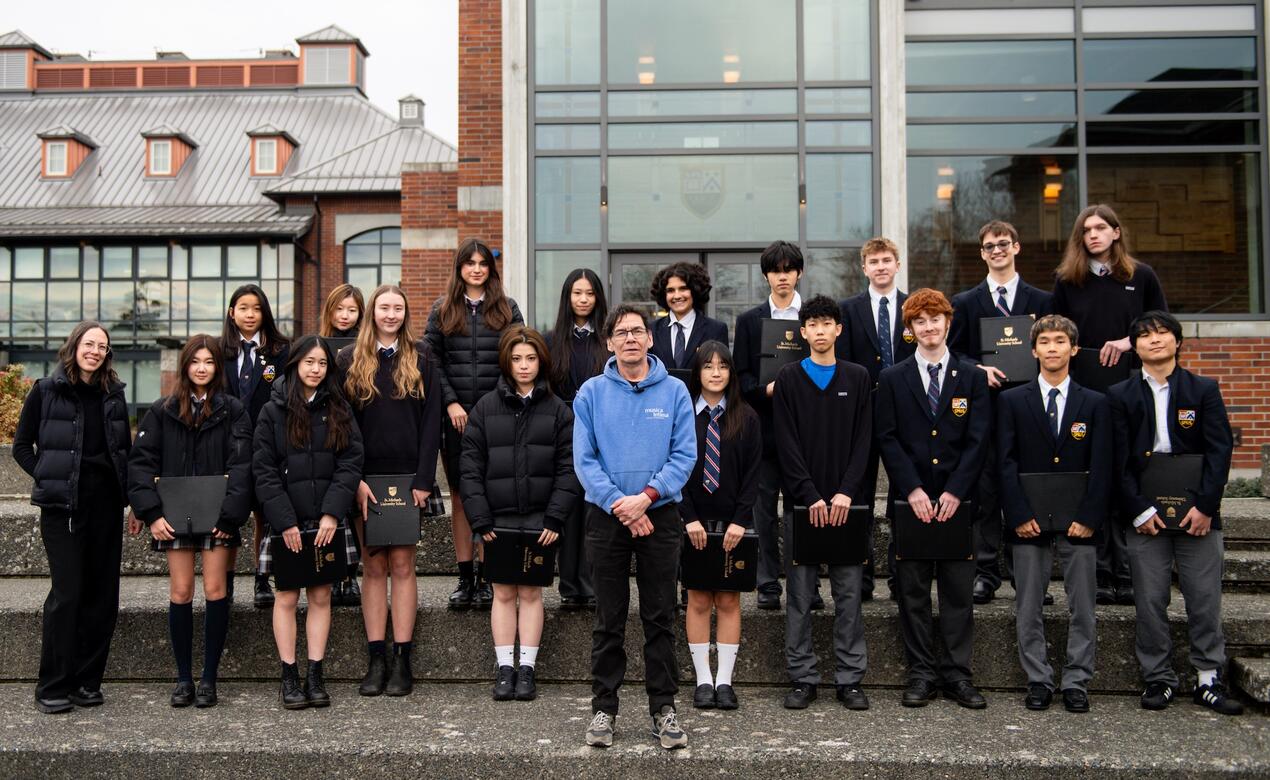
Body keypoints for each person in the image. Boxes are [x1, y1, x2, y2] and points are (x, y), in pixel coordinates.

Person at [573, 304, 696, 750]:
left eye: (637, 331)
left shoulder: (676, 391)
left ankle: (664, 708)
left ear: (650, 338)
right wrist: (620, 505)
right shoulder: (590, 393)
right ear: (609, 342)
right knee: (608, 618)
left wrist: (645, 498)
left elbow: (684, 455)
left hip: (658, 515)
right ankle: (604, 708)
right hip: (606, 516)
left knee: (659, 616)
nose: (630, 338)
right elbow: (584, 460)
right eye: (621, 332)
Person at [1108, 311, 1243, 716]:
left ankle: (1208, 678)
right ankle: (1159, 678)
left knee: (1204, 599)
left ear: (1178, 341)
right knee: (1150, 600)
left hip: (1197, 513)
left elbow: (1219, 451)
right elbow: (1117, 460)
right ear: (1135, 347)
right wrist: (1137, 509)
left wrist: (1206, 507)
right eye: (1145, 335)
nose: (1154, 340)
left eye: (1163, 333)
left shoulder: (1204, 389)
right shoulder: (1120, 395)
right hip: (1144, 515)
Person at [875, 289, 991, 710]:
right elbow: (887, 437)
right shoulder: (892, 378)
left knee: (958, 595)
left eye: (935, 319)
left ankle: (958, 675)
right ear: (910, 329)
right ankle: (921, 674)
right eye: (920, 321)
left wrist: (956, 490)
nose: (929, 327)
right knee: (913, 594)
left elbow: (979, 439)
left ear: (948, 322)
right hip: (912, 504)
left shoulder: (972, 377)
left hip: (959, 504)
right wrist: (913, 489)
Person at [13, 321, 134, 715]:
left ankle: (87, 681)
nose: (95, 351)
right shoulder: (46, 390)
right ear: (75, 346)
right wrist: (50, 477)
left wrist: (133, 501)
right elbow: (21, 447)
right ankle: (53, 684)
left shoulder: (114, 394)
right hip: (62, 510)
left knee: (103, 597)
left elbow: (124, 453)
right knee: (67, 595)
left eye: (102, 346)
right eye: (89, 344)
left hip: (106, 508)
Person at [126, 334, 252, 708]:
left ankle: (209, 679)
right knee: (181, 591)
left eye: (209, 362)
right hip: (173, 515)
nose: (202, 368)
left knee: (215, 589)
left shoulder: (233, 410)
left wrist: (230, 516)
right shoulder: (162, 410)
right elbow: (141, 463)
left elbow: (242, 466)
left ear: (218, 367)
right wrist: (151, 513)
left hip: (218, 517)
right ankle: (184, 678)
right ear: (185, 366)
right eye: (195, 361)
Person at [1053, 204, 1167, 606]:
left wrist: (1128, 341)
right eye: (1086, 230)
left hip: (1131, 391)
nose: (1093, 235)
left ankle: (1126, 573)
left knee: (1126, 473)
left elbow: (1162, 330)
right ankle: (1100, 571)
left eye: (1101, 228)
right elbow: (1056, 334)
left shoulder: (1142, 276)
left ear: (1116, 232)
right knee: (1094, 476)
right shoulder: (1068, 281)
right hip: (1085, 394)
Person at [997, 315, 1110, 713]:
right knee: (1028, 606)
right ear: (1033, 350)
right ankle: (1038, 679)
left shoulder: (1095, 403)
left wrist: (1090, 516)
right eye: (1044, 342)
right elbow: (1004, 462)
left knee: (1083, 607)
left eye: (1060, 341)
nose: (1052, 348)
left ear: (1073, 349)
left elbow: (1103, 464)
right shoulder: (1012, 401)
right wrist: (1017, 513)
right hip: (1028, 522)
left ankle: (1077, 680)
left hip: (1080, 522)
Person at [461, 326, 580, 702]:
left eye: (530, 358)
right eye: (516, 359)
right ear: (506, 363)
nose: (524, 365)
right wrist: (480, 519)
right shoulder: (485, 408)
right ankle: (504, 668)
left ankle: (526, 668)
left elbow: (569, 468)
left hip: (541, 520)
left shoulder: (558, 410)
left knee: (530, 593)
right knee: (502, 592)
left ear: (541, 361)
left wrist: (555, 517)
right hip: (496, 520)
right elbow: (470, 468)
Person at [339, 285, 443, 698]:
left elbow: (432, 420)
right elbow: (342, 425)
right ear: (372, 311)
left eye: (398, 307)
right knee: (373, 567)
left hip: (408, 478)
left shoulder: (422, 357)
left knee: (402, 566)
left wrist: (424, 479)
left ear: (405, 313)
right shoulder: (348, 359)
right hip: (365, 480)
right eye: (384, 307)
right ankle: (376, 657)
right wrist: (354, 480)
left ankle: (402, 657)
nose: (391, 314)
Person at [774, 296, 874, 711]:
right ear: (802, 332)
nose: (819, 330)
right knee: (799, 597)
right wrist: (809, 494)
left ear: (838, 329)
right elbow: (785, 443)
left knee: (849, 597)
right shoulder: (788, 378)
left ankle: (849, 679)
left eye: (826, 323)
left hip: (847, 506)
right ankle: (803, 677)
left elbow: (865, 441)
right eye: (812, 324)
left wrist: (847, 491)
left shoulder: (858, 376)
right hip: (804, 507)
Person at [253, 336, 363, 710]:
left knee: (320, 596)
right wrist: (285, 522)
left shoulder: (339, 408)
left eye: (322, 363)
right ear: (295, 364)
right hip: (287, 522)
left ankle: (315, 673)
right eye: (309, 362)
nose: (315, 370)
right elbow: (264, 470)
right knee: (286, 596)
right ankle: (289, 675)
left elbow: (351, 462)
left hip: (327, 521)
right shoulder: (272, 411)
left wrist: (333, 512)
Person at [948, 221, 1053, 605]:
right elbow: (954, 352)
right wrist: (979, 369)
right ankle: (987, 572)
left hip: (1031, 408)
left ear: (1016, 247)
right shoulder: (965, 302)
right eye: (990, 246)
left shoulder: (1042, 300)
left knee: (1029, 488)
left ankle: (1029, 577)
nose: (997, 250)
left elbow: (1054, 346)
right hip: (987, 409)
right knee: (987, 491)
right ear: (982, 253)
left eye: (1003, 243)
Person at [426, 237, 524, 610]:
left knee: (491, 496)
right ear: (460, 268)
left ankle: (487, 576)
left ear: (491, 269)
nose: (477, 269)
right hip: (455, 421)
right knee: (462, 497)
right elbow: (431, 361)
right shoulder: (442, 310)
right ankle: (465, 577)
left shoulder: (507, 308)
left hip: (497, 417)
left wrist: (492, 403)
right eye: (470, 263)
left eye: (483, 263)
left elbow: (518, 356)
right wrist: (451, 402)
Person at [732, 240, 816, 611]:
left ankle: (808, 585)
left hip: (805, 434)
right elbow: (741, 377)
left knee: (804, 511)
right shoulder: (749, 321)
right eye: (775, 270)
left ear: (799, 273)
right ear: (766, 275)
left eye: (789, 269)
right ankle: (767, 583)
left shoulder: (812, 317)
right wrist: (765, 389)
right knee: (762, 513)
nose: (782, 277)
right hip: (763, 432)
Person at [678, 341, 760, 711]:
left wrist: (741, 520)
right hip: (693, 522)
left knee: (728, 599)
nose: (715, 373)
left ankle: (724, 680)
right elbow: (673, 468)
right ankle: (703, 679)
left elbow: (753, 475)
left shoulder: (747, 417)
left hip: (733, 524)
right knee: (697, 599)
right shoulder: (682, 414)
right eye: (708, 366)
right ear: (697, 372)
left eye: (723, 366)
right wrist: (688, 517)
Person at [836, 237, 917, 601]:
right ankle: (863, 575)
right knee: (861, 494)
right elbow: (844, 364)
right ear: (864, 268)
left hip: (906, 413)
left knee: (904, 494)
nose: (881, 266)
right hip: (862, 413)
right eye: (874, 261)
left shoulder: (913, 307)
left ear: (897, 265)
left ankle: (902, 576)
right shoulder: (848, 310)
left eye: (887, 260)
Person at [220, 283, 291, 609]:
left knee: (266, 511)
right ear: (231, 312)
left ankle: (263, 577)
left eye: (257, 308)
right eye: (243, 308)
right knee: (229, 514)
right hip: (228, 445)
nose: (250, 314)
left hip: (268, 442)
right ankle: (226, 579)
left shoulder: (281, 351)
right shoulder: (218, 350)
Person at [545, 268, 608, 610]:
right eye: (577, 293)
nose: (583, 300)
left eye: (590, 293)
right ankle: (570, 586)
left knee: (595, 509)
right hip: (563, 431)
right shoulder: (552, 340)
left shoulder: (608, 340)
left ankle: (594, 585)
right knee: (568, 508)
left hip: (602, 432)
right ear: (567, 297)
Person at [319, 283, 366, 606]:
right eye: (339, 309)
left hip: (360, 428)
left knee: (356, 510)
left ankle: (351, 574)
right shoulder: (318, 344)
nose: (345, 315)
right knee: (333, 505)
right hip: (327, 431)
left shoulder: (367, 347)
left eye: (352, 310)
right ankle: (336, 575)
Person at [649, 261, 729, 370]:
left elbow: (721, 370)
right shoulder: (651, 330)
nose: (677, 296)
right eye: (670, 290)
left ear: (695, 290)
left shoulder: (716, 330)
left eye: (683, 289)